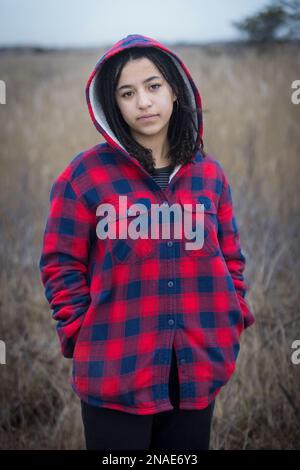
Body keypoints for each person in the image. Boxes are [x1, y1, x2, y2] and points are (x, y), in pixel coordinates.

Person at [38, 33, 256, 451]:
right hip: (116, 365)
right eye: (127, 92)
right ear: (111, 104)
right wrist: (82, 330)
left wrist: (234, 313)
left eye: (153, 86)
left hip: (197, 364)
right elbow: (59, 263)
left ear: (175, 89)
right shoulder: (84, 176)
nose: (144, 102)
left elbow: (231, 257)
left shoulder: (209, 175)